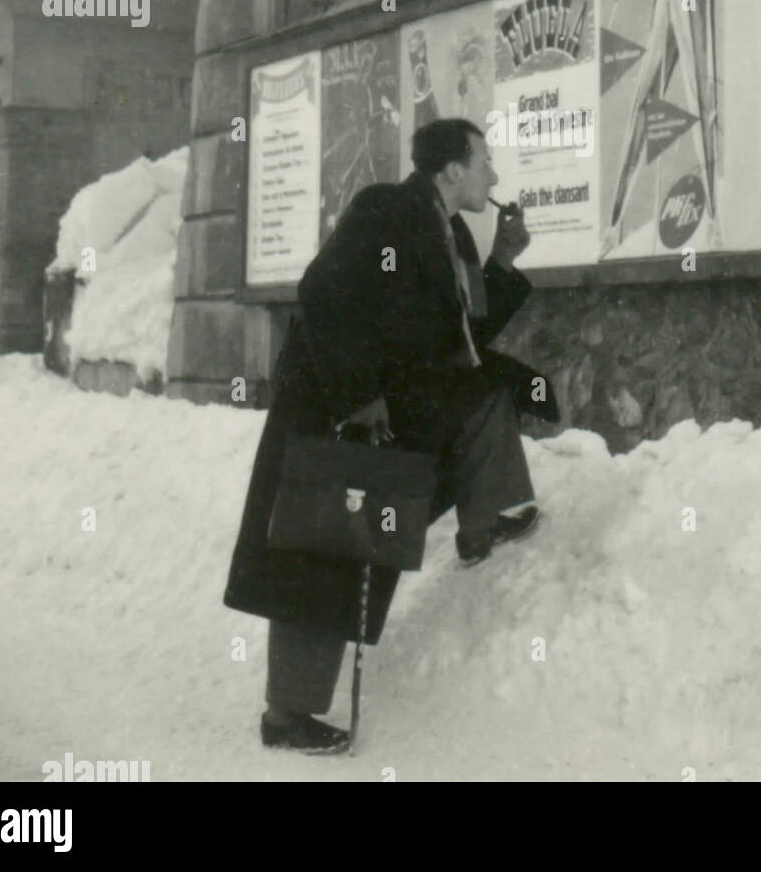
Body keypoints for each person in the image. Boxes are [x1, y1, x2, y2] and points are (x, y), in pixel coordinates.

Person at [224, 117, 558, 754]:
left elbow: (460, 343)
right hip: (335, 412)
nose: (494, 174)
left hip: (390, 406)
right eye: (485, 161)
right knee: (323, 552)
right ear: (453, 169)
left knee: (484, 398)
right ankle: (286, 715)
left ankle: (481, 523)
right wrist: (357, 397)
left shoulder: (450, 232)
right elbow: (321, 290)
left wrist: (502, 263)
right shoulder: (386, 209)